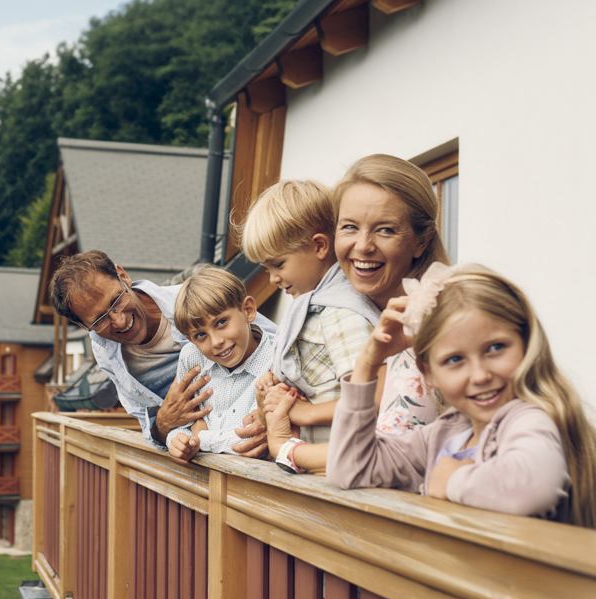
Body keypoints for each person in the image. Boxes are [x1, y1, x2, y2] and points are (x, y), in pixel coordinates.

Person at [312, 263, 595, 527]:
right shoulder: (443, 435)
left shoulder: (527, 416)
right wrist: (367, 364)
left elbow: (533, 487)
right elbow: (350, 469)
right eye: (455, 360)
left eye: (496, 348)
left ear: (525, 342)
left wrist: (450, 480)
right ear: (429, 373)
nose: (480, 375)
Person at [264, 154, 451, 474]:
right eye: (349, 227)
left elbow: (383, 454)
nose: (363, 246)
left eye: (386, 230)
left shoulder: (433, 322)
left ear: (421, 241)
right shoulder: (339, 315)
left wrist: (286, 446)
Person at [49, 251, 274, 454]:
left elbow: (280, 348)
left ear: (122, 275)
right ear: (83, 326)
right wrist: (163, 425)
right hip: (203, 461)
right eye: (100, 319)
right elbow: (146, 420)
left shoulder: (194, 303)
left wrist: (271, 417)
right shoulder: (105, 350)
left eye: (116, 300)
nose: (118, 320)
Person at [241, 180, 378, 443]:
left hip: (337, 459)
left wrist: (303, 411)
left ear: (319, 246)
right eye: (266, 269)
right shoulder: (310, 309)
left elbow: (365, 398)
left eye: (278, 265)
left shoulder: (341, 313)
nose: (273, 279)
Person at [164, 265, 276, 461]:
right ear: (190, 340)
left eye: (221, 323)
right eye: (200, 335)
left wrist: (200, 437)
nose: (216, 342)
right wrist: (178, 441)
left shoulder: (277, 359)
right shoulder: (192, 358)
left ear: (248, 310)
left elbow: (250, 442)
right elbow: (180, 424)